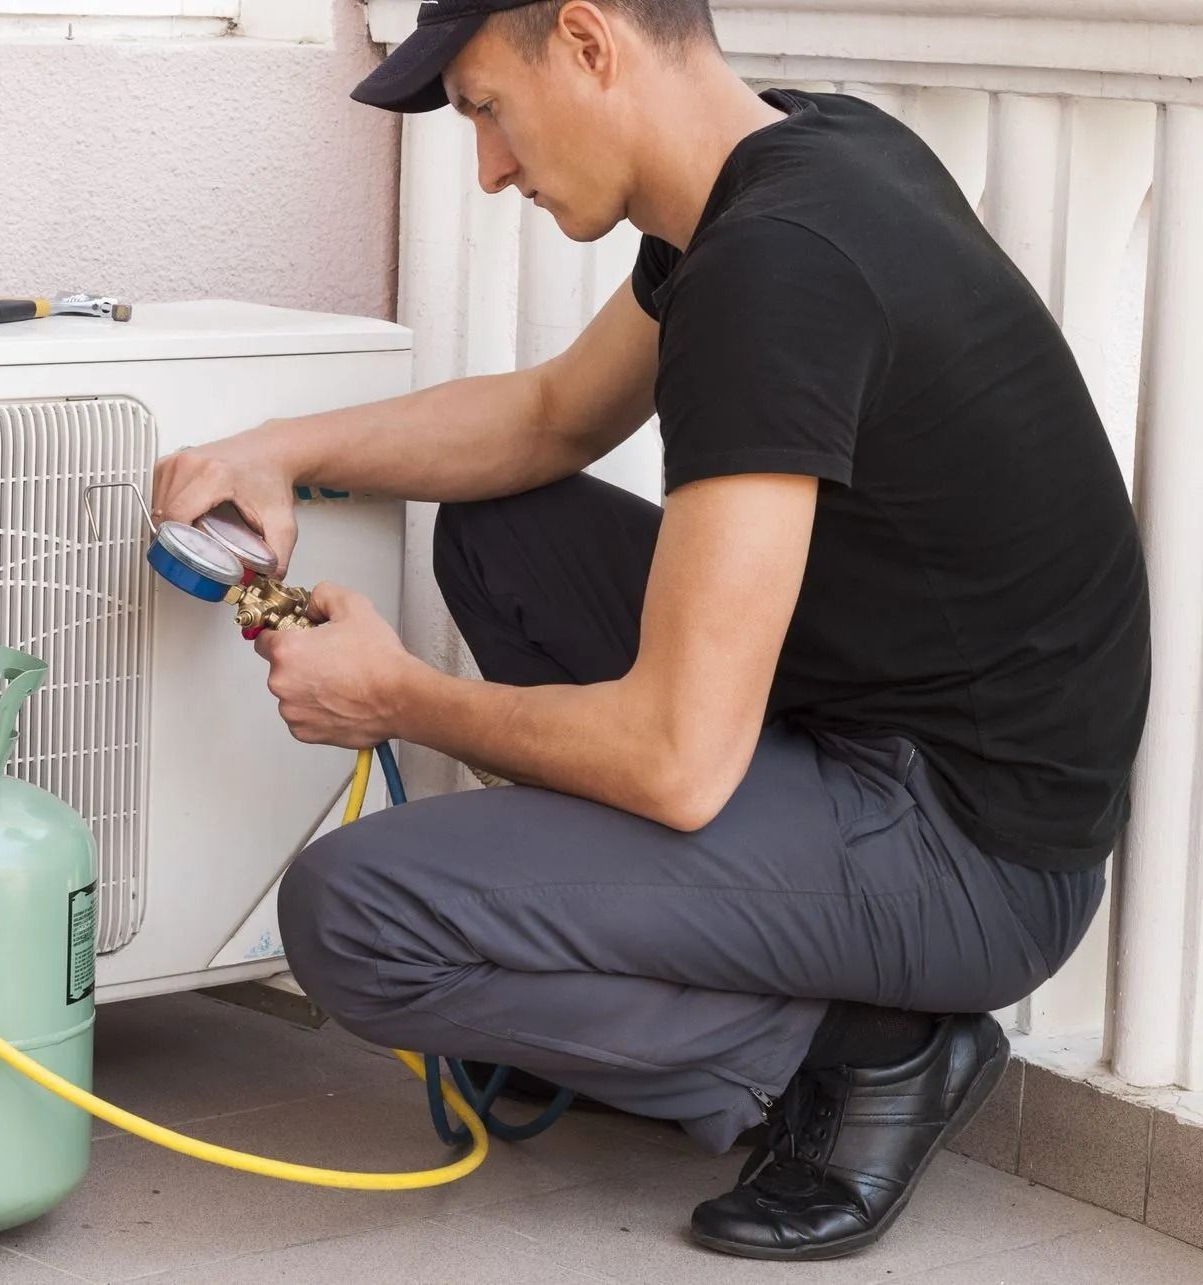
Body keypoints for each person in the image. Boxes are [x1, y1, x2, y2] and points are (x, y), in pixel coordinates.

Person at [150, 0, 1150, 1263]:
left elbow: (678, 761)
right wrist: (275, 452)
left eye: (486, 112)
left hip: (972, 849)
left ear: (586, 40)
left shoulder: (777, 265)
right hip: (877, 724)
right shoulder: (795, 158)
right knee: (499, 535)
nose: (491, 167)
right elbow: (554, 416)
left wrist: (395, 696)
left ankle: (867, 1048)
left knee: (352, 913)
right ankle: (713, 961)